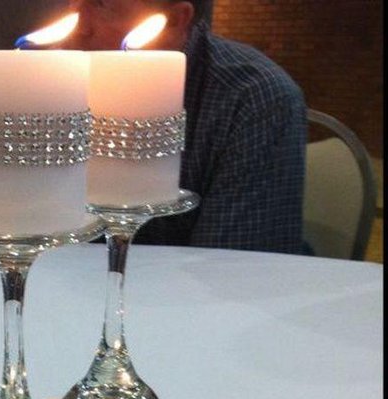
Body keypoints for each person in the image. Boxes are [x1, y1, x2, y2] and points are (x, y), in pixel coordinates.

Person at [68, 0, 310, 254]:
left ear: (175, 19)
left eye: (101, 5)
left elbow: (231, 266)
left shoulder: (251, 96)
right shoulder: (51, 83)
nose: (77, 27)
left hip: (186, 286)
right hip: (73, 285)